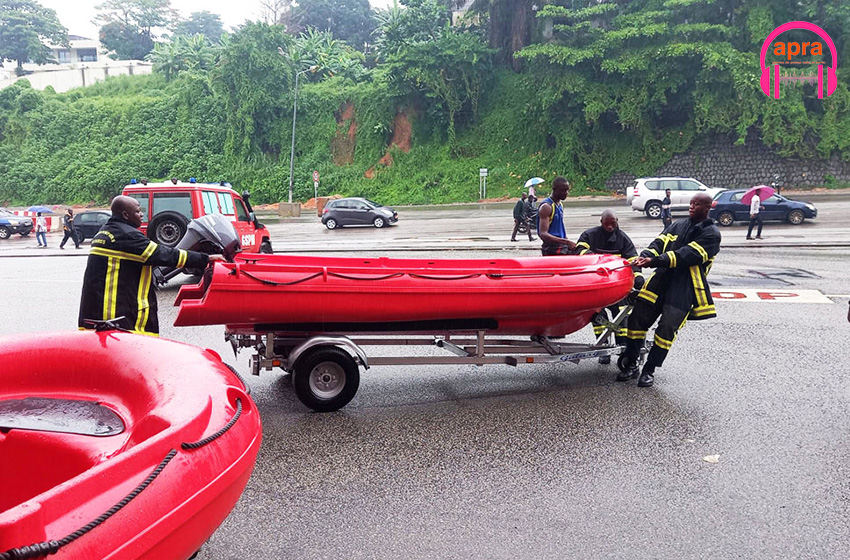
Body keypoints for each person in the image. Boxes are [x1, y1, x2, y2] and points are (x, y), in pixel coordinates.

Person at [78, 195, 225, 336]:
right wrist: (206, 258)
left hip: (95, 310)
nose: (141, 214)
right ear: (125, 215)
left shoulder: (104, 232)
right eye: (137, 211)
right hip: (116, 315)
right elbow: (164, 254)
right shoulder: (127, 236)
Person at [617, 193, 721, 387]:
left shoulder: (712, 234)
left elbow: (686, 255)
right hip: (661, 279)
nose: (692, 206)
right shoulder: (678, 225)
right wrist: (646, 256)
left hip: (685, 286)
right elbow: (659, 243)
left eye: (697, 204)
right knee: (637, 318)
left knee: (666, 329)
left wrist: (655, 261)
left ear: (708, 208)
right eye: (691, 203)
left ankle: (649, 369)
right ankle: (631, 363)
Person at [574, 210, 643, 363]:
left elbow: (633, 259)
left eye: (613, 224)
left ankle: (622, 344)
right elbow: (579, 250)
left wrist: (638, 277)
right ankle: (602, 347)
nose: (610, 227)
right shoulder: (590, 235)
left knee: (621, 314)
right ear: (601, 222)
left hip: (616, 287)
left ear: (617, 221)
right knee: (598, 316)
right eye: (607, 224)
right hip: (595, 286)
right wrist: (597, 258)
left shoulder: (623, 239)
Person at [537, 176, 576, 255]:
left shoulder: (560, 205)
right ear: (554, 189)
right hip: (551, 248)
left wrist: (568, 241)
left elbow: (559, 229)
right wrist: (567, 242)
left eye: (567, 190)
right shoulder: (546, 207)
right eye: (563, 190)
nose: (566, 193)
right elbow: (543, 234)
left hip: (562, 244)